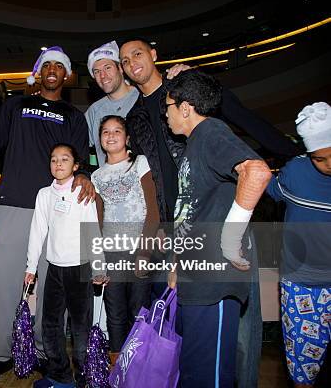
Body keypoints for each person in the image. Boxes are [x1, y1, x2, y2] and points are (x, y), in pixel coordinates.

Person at [120, 38, 300, 387]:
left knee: (229, 350)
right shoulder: (146, 122)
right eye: (124, 60)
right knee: (196, 357)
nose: (131, 63)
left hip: (219, 254)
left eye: (137, 54)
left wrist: (232, 235)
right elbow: (182, 198)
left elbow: (255, 168)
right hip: (187, 249)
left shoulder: (205, 121)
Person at [0, 46, 95, 386]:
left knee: (51, 290)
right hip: (11, 204)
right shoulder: (15, 105)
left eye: (60, 66)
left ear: (67, 75)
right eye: (47, 65)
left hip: (56, 213)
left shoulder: (74, 116)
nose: (54, 70)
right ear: (38, 73)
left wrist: (84, 174)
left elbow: (80, 160)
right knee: (1, 285)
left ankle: (44, 352)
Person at [164, 70, 271, 387]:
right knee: (195, 370)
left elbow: (257, 171)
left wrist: (230, 236)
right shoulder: (194, 144)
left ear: (185, 107)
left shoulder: (211, 131)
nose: (165, 114)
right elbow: (192, 210)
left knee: (210, 376)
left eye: (167, 106)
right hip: (194, 275)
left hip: (213, 280)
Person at [25, 143, 104, 388]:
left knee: (80, 327)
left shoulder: (83, 192)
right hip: (54, 269)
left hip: (80, 269)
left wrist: (99, 266)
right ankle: (59, 373)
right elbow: (37, 231)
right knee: (50, 323)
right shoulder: (43, 195)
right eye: (54, 159)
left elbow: (92, 230)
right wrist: (31, 267)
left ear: (76, 166)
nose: (58, 163)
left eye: (65, 159)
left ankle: (83, 377)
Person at [266, 102, 331, 388]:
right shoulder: (296, 172)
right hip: (300, 282)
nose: (329, 164)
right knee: (304, 366)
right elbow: (268, 190)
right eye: (320, 159)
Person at [91, 115, 160, 354]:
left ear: (127, 138)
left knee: (138, 311)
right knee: (115, 314)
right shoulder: (96, 176)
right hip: (111, 252)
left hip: (139, 248)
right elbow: (97, 221)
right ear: (100, 139)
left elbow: (152, 210)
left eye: (117, 131)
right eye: (105, 132)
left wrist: (145, 251)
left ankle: (138, 365)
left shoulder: (140, 162)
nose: (111, 135)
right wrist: (97, 261)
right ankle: (117, 369)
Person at [85, 41, 139, 167]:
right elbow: (76, 145)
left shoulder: (141, 98)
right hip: (107, 183)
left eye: (107, 68)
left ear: (120, 68)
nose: (103, 76)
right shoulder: (94, 111)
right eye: (97, 72)